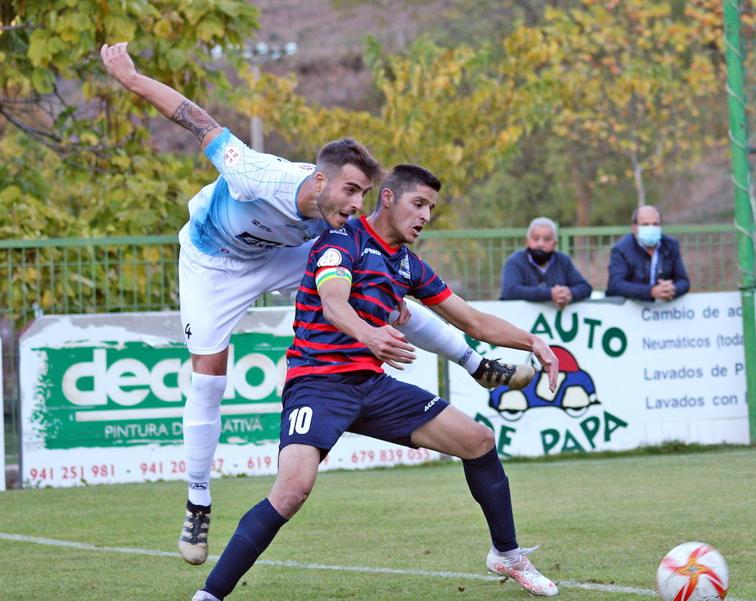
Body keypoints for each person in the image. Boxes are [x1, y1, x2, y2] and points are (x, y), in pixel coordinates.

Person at [99, 42, 534, 565]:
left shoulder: (336, 221)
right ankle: (197, 499)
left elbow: (368, 272)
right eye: (352, 192)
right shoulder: (256, 174)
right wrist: (131, 78)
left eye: (364, 195)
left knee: (382, 294)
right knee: (210, 375)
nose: (357, 206)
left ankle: (476, 362)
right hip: (213, 261)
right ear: (320, 181)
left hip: (281, 254)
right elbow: (195, 118)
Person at [191, 165, 560, 600]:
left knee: (478, 440)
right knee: (292, 491)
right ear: (387, 198)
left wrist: (532, 341)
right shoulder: (341, 242)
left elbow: (472, 320)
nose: (425, 215)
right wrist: (370, 334)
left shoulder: (408, 264)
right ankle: (209, 596)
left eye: (431, 208)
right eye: (417, 203)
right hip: (318, 381)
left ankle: (507, 554)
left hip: (372, 386)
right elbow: (333, 302)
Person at [500, 216, 592, 309]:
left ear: (555, 243)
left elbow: (585, 287)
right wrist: (550, 294)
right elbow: (510, 291)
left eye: (547, 239)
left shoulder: (563, 261)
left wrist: (568, 293)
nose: (541, 244)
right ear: (527, 241)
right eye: (536, 238)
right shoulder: (514, 261)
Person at [605, 205, 690, 301]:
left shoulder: (670, 246)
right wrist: (650, 291)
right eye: (645, 224)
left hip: (664, 312)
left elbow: (683, 281)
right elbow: (615, 285)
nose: (651, 228)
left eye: (655, 224)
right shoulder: (621, 249)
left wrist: (672, 289)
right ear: (634, 228)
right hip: (630, 310)